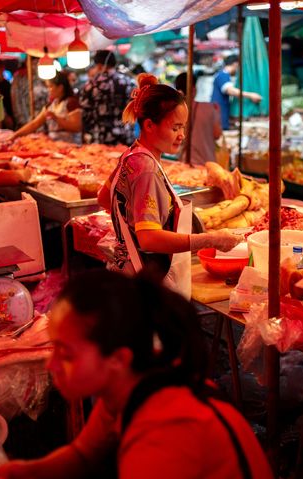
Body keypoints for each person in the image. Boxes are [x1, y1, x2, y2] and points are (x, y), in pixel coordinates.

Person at [0, 269, 289, 479]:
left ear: (118, 359)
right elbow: (82, 455)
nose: (52, 365)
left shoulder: (166, 429)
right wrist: (31, 472)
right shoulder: (133, 383)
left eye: (66, 354)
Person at [96, 74, 242, 298]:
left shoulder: (132, 154)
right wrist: (211, 239)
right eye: (175, 128)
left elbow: (104, 198)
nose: (182, 135)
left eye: (183, 127)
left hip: (126, 274)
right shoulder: (147, 169)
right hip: (147, 285)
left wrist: (129, 225)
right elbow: (149, 238)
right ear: (149, 125)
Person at [79, 50, 135, 145]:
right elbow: (136, 109)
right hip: (125, 136)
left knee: (102, 159)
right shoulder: (129, 82)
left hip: (100, 137)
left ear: (99, 65)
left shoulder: (91, 85)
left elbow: (84, 113)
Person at [11, 72, 82, 144]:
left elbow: (76, 127)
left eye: (50, 87)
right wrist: (15, 135)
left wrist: (56, 118)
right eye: (47, 87)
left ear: (60, 88)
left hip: (71, 145)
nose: (48, 90)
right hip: (55, 145)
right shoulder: (50, 106)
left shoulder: (71, 103)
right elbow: (34, 124)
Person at [175, 72, 221, 166]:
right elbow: (217, 134)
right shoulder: (210, 108)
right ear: (194, 89)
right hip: (207, 164)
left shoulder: (174, 110)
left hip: (183, 164)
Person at [210, 54, 262, 131]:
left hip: (219, 112)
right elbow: (231, 91)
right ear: (235, 64)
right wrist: (251, 95)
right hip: (219, 114)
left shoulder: (222, 74)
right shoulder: (223, 75)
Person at [11, 58, 49, 128]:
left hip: (43, 120)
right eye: (33, 64)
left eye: (37, 64)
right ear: (27, 63)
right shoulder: (19, 77)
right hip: (26, 119)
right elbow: (16, 102)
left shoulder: (44, 76)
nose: (35, 66)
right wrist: (22, 121)